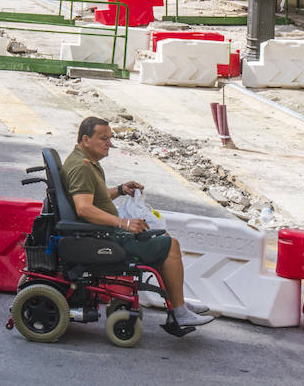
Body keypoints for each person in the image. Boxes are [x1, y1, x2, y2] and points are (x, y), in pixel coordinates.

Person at [63, 118, 214, 329]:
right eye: (103, 138)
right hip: (104, 236)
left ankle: (177, 303)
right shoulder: (82, 167)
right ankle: (179, 312)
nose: (109, 144)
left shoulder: (87, 162)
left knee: (164, 240)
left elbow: (95, 197)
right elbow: (84, 208)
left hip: (104, 231)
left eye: (110, 138)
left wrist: (120, 189)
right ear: (86, 139)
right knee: (170, 245)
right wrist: (124, 223)